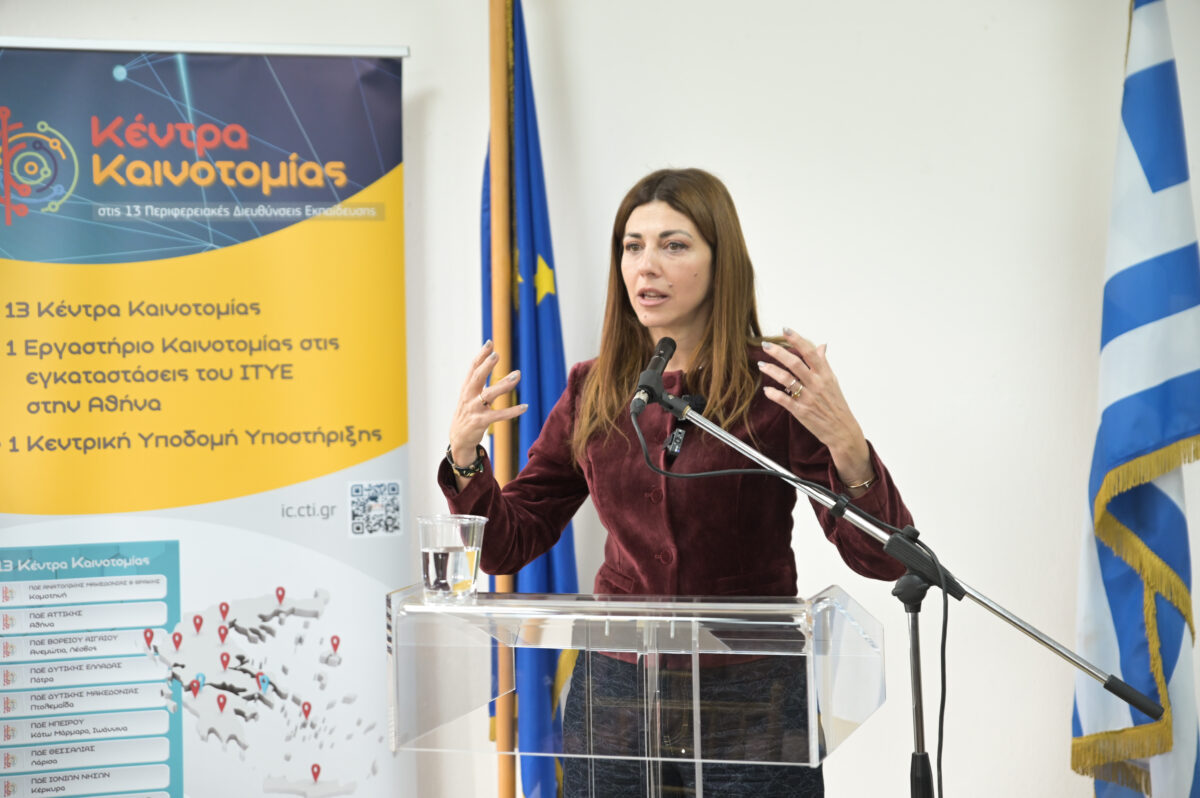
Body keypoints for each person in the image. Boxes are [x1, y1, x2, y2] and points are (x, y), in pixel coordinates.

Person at [438, 168, 913, 797]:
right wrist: (465, 458)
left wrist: (848, 445)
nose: (647, 266)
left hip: (750, 693)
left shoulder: (774, 385)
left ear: (721, 262)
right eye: (632, 247)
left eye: (674, 245)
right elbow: (508, 544)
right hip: (615, 695)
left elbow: (882, 558)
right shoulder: (592, 387)